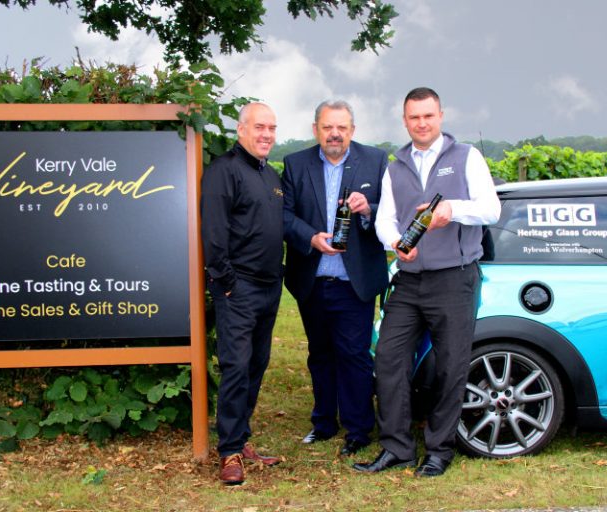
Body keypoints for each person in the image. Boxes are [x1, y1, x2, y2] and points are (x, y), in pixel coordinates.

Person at [353, 87, 501, 477]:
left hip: (455, 278)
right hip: (408, 279)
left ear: (441, 116)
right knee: (388, 359)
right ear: (405, 120)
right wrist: (394, 242)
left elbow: (491, 208)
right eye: (414, 117)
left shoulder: (467, 157)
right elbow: (386, 217)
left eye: (428, 116)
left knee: (450, 367)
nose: (421, 123)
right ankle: (397, 447)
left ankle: (439, 450)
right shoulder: (396, 165)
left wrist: (451, 210)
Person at [282, 100, 389, 456]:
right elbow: (284, 216)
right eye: (328, 126)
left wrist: (367, 210)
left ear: (353, 131)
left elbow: (389, 215)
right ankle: (324, 423)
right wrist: (310, 237)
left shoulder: (375, 161)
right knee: (320, 355)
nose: (335, 133)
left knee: (355, 355)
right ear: (316, 129)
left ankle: (359, 430)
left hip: (354, 282)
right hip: (312, 280)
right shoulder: (296, 165)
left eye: (342, 127)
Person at [201, 102, 285, 485]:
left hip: (269, 288)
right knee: (236, 367)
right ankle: (229, 452)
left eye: (271, 128)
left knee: (256, 365)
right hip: (239, 289)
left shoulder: (269, 174)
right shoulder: (224, 171)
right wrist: (230, 283)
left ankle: (242, 438)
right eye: (259, 127)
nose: (266, 134)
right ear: (241, 130)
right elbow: (214, 237)